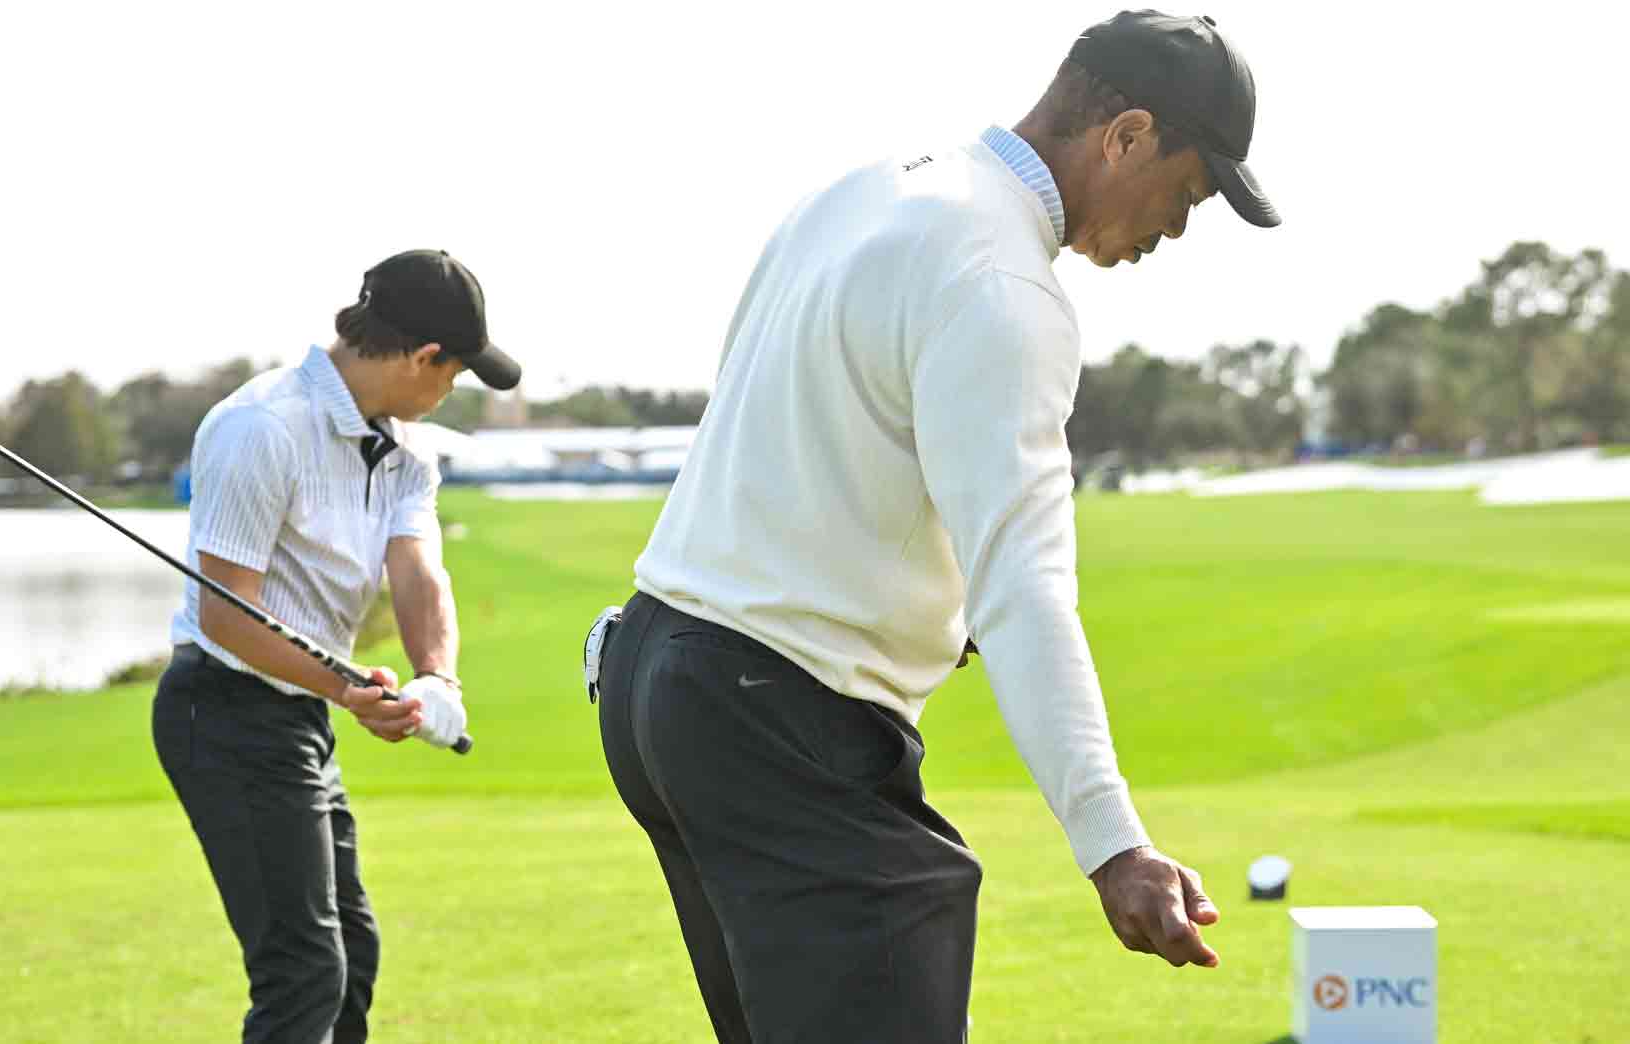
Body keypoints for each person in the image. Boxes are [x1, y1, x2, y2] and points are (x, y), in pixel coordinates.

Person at [592, 11, 1278, 1042]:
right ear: (1126, 135)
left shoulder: (869, 187)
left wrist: (918, 602)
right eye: (1183, 195)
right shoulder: (1004, 285)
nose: (1171, 232)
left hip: (662, 680)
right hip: (774, 713)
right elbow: (1025, 588)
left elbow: (798, 432)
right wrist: (1112, 842)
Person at [152, 249, 520, 1044]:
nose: (450, 390)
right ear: (425, 358)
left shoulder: (409, 451)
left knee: (351, 954)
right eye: (454, 374)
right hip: (221, 713)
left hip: (296, 724)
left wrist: (437, 679)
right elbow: (226, 616)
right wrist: (344, 686)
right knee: (303, 969)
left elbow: (419, 570)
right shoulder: (261, 428)